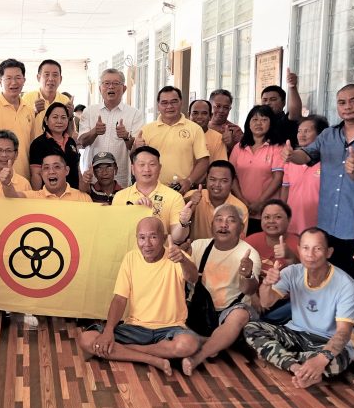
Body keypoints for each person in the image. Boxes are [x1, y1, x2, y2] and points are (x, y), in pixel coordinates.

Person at [283, 83, 354, 347]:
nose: (347, 106)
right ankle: (336, 344)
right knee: (333, 288)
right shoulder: (329, 135)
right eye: (342, 102)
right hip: (328, 228)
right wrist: (291, 155)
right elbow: (305, 155)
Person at [78, 217, 200, 375]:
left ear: (164, 238)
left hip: (170, 328)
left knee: (187, 344)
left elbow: (193, 278)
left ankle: (126, 351)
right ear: (136, 239)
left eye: (153, 237)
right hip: (135, 328)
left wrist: (183, 260)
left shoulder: (177, 256)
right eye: (142, 238)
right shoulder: (130, 258)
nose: (147, 244)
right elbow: (120, 299)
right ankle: (153, 359)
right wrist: (108, 331)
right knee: (86, 339)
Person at [245, 227, 354, 389]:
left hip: (327, 341)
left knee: (336, 361)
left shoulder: (346, 284)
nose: (310, 254)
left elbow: (343, 332)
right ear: (298, 250)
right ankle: (298, 368)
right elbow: (266, 302)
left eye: (317, 249)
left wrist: (321, 359)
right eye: (305, 248)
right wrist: (266, 284)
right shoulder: (292, 272)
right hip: (296, 333)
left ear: (329, 252)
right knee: (251, 328)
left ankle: (280, 357)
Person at [181, 204, 261, 376]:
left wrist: (247, 275)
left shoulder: (249, 253)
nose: (223, 225)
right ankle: (216, 342)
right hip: (199, 309)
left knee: (240, 314)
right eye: (219, 220)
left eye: (231, 221)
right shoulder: (199, 246)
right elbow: (185, 278)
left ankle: (198, 357)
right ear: (212, 225)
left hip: (230, 311)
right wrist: (181, 257)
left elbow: (249, 290)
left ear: (241, 227)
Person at [112, 146, 199, 245]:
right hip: (129, 252)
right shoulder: (120, 197)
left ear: (160, 168)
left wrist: (183, 223)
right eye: (141, 165)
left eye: (152, 164)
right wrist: (136, 212)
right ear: (132, 169)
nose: (147, 169)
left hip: (162, 253)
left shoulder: (174, 197)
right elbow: (116, 233)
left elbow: (177, 238)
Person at [134, 86, 209, 194]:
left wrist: (189, 181)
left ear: (181, 103)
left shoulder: (195, 129)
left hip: (182, 190)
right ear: (158, 106)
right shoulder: (146, 130)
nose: (169, 106)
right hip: (152, 191)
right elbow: (135, 159)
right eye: (164, 103)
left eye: (174, 102)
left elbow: (203, 160)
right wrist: (136, 147)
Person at [78, 68, 143, 187]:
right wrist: (94, 132)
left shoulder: (134, 114)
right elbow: (82, 142)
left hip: (120, 179)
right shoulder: (89, 111)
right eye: (106, 83)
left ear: (124, 88)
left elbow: (136, 149)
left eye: (116, 83)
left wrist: (126, 137)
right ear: (100, 88)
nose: (111, 87)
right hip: (92, 177)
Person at [230, 105, 285, 235]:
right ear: (248, 123)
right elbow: (231, 176)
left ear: (271, 123)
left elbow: (278, 178)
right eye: (255, 119)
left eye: (264, 120)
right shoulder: (239, 147)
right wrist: (242, 200)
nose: (259, 123)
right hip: (241, 208)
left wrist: (260, 202)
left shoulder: (277, 147)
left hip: (266, 210)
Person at [244, 199, 300, 324]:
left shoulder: (299, 244)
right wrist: (252, 296)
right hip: (253, 298)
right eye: (266, 217)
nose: (271, 221)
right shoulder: (251, 241)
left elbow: (304, 278)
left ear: (289, 219)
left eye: (277, 217)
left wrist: (290, 256)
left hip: (284, 303)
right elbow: (241, 273)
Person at [280, 115, 329, 234]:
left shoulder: (328, 162)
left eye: (307, 131)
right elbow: (285, 189)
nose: (301, 135)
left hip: (318, 225)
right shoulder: (291, 158)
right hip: (292, 222)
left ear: (320, 135)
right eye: (299, 131)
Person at [184, 160, 248, 241]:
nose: (217, 185)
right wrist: (189, 201)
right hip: (195, 247)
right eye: (212, 179)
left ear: (232, 183)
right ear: (206, 179)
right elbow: (178, 223)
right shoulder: (193, 195)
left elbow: (238, 240)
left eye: (224, 181)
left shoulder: (240, 208)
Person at [0, 150, 91, 202]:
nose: (51, 171)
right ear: (41, 173)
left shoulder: (83, 198)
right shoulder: (33, 198)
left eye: (57, 167)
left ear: (66, 170)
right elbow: (12, 196)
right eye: (46, 168)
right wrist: (6, 183)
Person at [29, 102, 81, 190]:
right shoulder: (38, 143)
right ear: (46, 120)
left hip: (72, 193)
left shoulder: (71, 141)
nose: (59, 121)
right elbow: (36, 174)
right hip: (49, 194)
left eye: (63, 117)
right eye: (55, 117)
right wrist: (36, 196)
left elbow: (76, 168)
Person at [22, 59, 72, 141]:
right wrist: (34, 112)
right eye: (46, 74)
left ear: (60, 79)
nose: (51, 79)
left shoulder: (65, 100)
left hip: (57, 147)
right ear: (38, 78)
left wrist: (70, 117)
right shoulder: (27, 98)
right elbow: (20, 127)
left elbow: (69, 133)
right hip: (33, 147)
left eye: (55, 75)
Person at [260, 70, 302, 146]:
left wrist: (292, 87)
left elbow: (295, 111)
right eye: (265, 100)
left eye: (273, 99)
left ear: (283, 102)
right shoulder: (257, 122)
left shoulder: (286, 121)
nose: (267, 103)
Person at [188, 99, 227, 167]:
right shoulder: (180, 134)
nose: (199, 117)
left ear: (210, 116)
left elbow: (220, 167)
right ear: (189, 115)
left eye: (204, 113)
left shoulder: (218, 138)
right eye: (195, 113)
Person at [208, 89, 243, 154]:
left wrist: (231, 144)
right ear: (209, 106)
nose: (221, 110)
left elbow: (243, 155)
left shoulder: (235, 130)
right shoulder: (201, 126)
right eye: (218, 106)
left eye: (226, 107)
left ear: (230, 109)